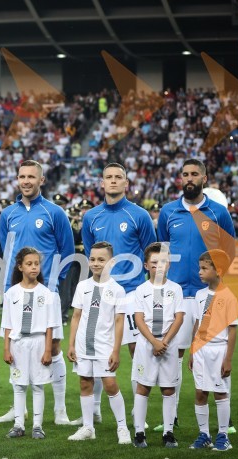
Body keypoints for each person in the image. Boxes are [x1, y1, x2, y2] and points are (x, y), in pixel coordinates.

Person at [156, 158, 235, 432]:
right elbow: (163, 252)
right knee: (175, 354)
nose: (189, 178)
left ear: (204, 177)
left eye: (194, 174)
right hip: (177, 294)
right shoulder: (168, 212)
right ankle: (171, 416)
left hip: (208, 294)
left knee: (215, 351)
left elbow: (229, 252)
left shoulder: (218, 213)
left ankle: (226, 418)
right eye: (185, 174)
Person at [0, 160, 75, 426]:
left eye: (32, 176)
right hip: (17, 291)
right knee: (16, 346)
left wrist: (53, 285)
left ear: (42, 180)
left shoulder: (55, 213)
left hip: (47, 291)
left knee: (52, 347)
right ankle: (18, 408)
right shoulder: (8, 214)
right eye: (22, 176)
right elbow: (6, 251)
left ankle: (60, 410)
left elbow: (66, 250)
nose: (26, 181)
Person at [81, 163, 156, 424]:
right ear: (102, 183)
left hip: (133, 293)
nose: (113, 181)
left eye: (118, 178)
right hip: (102, 294)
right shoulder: (91, 217)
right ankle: (96, 411)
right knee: (96, 350)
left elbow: (150, 255)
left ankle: (138, 412)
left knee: (138, 352)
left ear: (126, 183)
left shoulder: (140, 216)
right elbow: (93, 256)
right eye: (108, 177)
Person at [66, 241, 130, 444]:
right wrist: (71, 344)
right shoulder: (82, 286)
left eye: (101, 259)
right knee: (85, 383)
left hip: (105, 346)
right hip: (84, 345)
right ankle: (88, 427)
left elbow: (119, 321)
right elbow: (76, 316)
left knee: (110, 384)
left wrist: (116, 350)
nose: (95, 263)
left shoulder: (117, 290)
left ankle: (122, 428)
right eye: (92, 259)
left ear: (111, 262)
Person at [131, 243, 185, 448]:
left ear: (169, 263)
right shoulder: (141, 290)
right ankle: (139, 433)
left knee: (169, 389)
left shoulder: (175, 289)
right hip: (146, 345)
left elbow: (179, 318)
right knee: (143, 387)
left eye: (163, 261)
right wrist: (154, 342)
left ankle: (168, 432)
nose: (159, 266)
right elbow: (139, 319)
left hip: (168, 345)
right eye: (154, 263)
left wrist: (164, 342)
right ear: (146, 265)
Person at [1, 247, 59, 439]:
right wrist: (6, 349)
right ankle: (18, 425)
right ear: (20, 267)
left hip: (38, 342)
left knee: (38, 385)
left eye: (37, 264)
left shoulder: (46, 293)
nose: (34, 267)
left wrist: (48, 350)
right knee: (19, 385)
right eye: (29, 264)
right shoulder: (12, 293)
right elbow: (7, 324)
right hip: (18, 345)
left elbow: (50, 325)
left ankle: (37, 425)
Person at [189, 250, 237, 451]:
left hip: (218, 350)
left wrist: (228, 359)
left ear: (218, 271)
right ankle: (204, 434)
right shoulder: (200, 295)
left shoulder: (228, 296)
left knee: (220, 392)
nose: (199, 272)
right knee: (200, 392)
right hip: (200, 351)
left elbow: (232, 330)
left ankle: (223, 436)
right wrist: (192, 350)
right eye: (200, 267)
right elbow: (198, 323)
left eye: (204, 268)